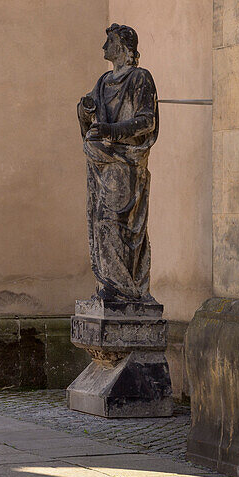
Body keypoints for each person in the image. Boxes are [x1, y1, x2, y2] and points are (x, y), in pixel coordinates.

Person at [78, 24, 159, 302]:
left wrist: (112, 132)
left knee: (116, 220)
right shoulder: (103, 82)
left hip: (125, 164)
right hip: (102, 163)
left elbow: (147, 121)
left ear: (124, 47)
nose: (104, 47)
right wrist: (85, 110)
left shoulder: (140, 79)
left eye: (109, 41)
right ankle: (111, 286)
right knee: (101, 219)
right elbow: (91, 117)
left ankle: (125, 289)